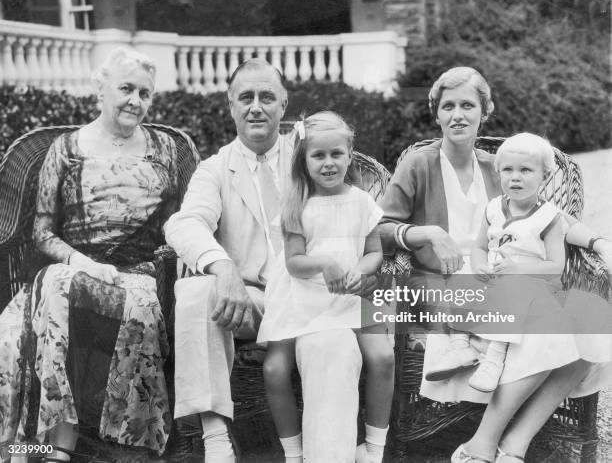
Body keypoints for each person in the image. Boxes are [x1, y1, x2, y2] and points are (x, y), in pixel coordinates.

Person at [379, 66, 612, 463]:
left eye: (468, 105)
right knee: (554, 322)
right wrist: (428, 234)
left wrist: (597, 241)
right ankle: (489, 440)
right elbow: (381, 227)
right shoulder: (418, 164)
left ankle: (509, 443)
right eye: (448, 106)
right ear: (435, 113)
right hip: (444, 285)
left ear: (484, 111)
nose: (457, 115)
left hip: (506, 284)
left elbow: (552, 216)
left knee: (593, 320)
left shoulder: (498, 167)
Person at [164, 59, 372, 462]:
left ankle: (327, 455)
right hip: (252, 301)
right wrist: (223, 269)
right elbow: (184, 223)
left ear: (283, 104)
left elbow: (362, 212)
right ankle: (216, 440)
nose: (256, 107)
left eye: (266, 97)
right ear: (231, 106)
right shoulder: (215, 169)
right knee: (194, 291)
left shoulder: (311, 157)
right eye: (246, 98)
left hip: (313, 298)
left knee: (333, 343)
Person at [0, 47, 176, 462]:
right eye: (126, 88)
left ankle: (95, 448)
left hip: (134, 275)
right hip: (74, 267)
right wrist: (83, 263)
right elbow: (41, 233)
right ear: (100, 90)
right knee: (10, 335)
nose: (136, 100)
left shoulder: (164, 149)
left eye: (145, 93)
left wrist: (161, 265)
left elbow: (176, 225)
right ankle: (38, 446)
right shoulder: (65, 148)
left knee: (75, 288)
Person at [256, 111, 394, 463]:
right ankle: (294, 452)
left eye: (337, 154)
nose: (329, 163)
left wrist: (361, 270)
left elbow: (375, 252)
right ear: (304, 160)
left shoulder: (362, 202)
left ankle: (373, 449)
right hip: (304, 296)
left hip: (354, 293)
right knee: (274, 369)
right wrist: (325, 262)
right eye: (318, 155)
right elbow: (294, 263)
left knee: (383, 356)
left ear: (350, 155)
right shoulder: (297, 206)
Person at [426, 133, 567, 393]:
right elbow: (480, 247)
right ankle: (460, 347)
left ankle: (493, 360)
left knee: (513, 291)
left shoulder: (549, 218)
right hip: (493, 273)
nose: (515, 177)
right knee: (458, 280)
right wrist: (479, 265)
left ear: (544, 176)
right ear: (498, 172)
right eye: (507, 170)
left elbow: (556, 266)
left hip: (530, 280)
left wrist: (518, 270)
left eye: (525, 170)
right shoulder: (493, 208)